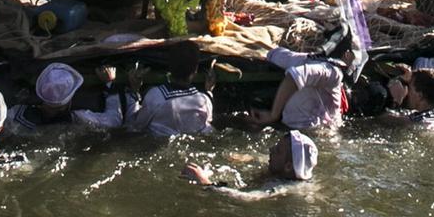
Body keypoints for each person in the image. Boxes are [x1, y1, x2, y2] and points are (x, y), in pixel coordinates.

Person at [77, 41, 216, 135]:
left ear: (169, 68)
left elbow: (134, 124)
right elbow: (206, 123)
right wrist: (209, 90)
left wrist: (134, 91)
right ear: (196, 70)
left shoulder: (157, 96)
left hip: (154, 142)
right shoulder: (204, 100)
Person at [252, 43, 347, 133]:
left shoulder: (299, 60)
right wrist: (273, 115)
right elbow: (295, 76)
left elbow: (273, 54)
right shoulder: (333, 72)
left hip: (288, 128)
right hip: (311, 132)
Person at [183, 129, 318, 190]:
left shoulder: (282, 188)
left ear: (288, 167)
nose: (271, 150)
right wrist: (250, 157)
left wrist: (205, 182)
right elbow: (271, 159)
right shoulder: (285, 169)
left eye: (277, 150)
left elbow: (247, 199)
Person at [387, 66, 434, 130]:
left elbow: (381, 117)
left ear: (420, 96)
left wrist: (396, 100)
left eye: (409, 88)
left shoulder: (415, 122)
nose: (406, 91)